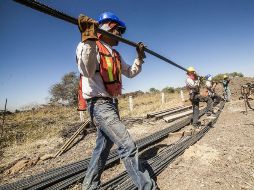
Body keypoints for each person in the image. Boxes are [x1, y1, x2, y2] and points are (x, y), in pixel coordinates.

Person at [76, 12, 157, 190]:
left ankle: (89, 186)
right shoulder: (90, 45)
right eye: (118, 30)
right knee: (128, 146)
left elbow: (131, 73)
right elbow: (87, 71)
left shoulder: (115, 54)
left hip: (111, 105)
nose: (120, 35)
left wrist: (139, 58)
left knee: (103, 148)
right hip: (99, 105)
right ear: (107, 28)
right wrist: (88, 40)